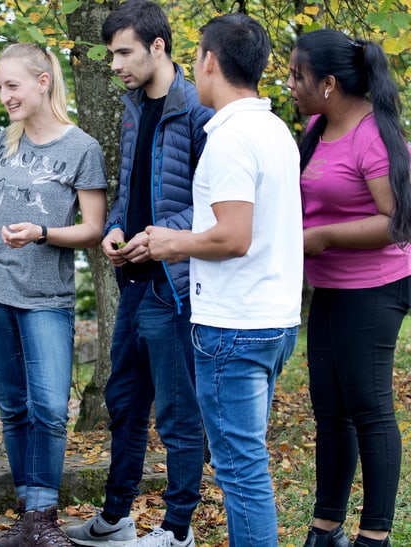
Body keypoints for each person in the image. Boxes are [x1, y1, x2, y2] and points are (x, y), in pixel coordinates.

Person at [0, 42, 108, 547]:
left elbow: (94, 229)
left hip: (46, 295)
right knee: (12, 408)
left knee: (50, 408)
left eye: (12, 85)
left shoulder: (82, 148)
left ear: (42, 81)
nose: (4, 95)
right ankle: (29, 516)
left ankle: (43, 518)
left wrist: (43, 233)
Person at [146, 14, 302, 547]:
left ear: (209, 60)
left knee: (240, 471)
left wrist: (171, 242)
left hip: (235, 328)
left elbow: (233, 236)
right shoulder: (275, 128)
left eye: (195, 57)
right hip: (274, 321)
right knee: (246, 462)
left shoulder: (233, 138)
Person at [65, 2, 213, 545]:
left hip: (174, 286)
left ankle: (177, 530)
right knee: (123, 403)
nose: (116, 64)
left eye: (124, 52)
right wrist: (118, 227)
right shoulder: (132, 107)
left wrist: (158, 236)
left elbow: (217, 206)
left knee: (177, 415)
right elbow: (133, 190)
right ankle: (117, 516)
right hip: (133, 282)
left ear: (158, 46)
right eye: (110, 55)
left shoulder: (198, 107)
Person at [287, 29, 411, 547]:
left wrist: (325, 236)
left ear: (330, 83)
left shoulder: (375, 138)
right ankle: (325, 527)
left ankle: (374, 536)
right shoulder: (317, 126)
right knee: (328, 407)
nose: (290, 84)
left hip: (377, 286)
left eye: (298, 75)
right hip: (331, 285)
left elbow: (397, 222)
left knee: (369, 405)